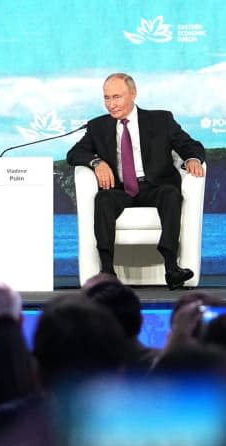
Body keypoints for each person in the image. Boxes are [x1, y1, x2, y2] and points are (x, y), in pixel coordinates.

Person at [66, 73, 206, 290]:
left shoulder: (161, 120)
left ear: (133, 94)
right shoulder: (98, 126)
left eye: (117, 97)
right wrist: (96, 162)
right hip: (121, 189)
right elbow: (74, 154)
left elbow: (190, 145)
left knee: (170, 194)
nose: (111, 105)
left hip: (155, 186)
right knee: (103, 199)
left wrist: (193, 159)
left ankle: (171, 267)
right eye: (106, 98)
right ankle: (107, 271)